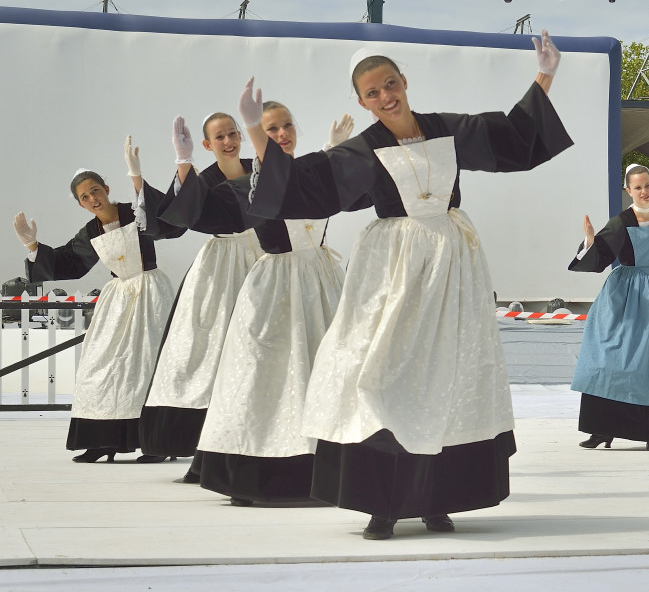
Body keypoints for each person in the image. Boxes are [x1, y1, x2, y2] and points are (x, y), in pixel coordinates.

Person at [242, 30, 573, 538]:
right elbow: (307, 186)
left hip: (451, 266)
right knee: (382, 370)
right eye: (372, 93)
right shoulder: (363, 150)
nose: (384, 97)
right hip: (393, 269)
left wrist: (545, 75)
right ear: (360, 101)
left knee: (446, 373)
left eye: (389, 84)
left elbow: (513, 136)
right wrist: (255, 132)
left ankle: (438, 497)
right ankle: (383, 502)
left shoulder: (447, 129)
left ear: (403, 81)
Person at [161, 104, 349, 506]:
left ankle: (328, 471)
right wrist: (184, 163)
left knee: (325, 374)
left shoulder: (313, 170)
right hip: (276, 288)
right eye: (270, 129)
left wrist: (336, 156)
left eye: (286, 126)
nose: (281, 134)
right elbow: (198, 214)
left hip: (323, 284)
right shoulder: (247, 186)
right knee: (266, 378)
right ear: (256, 135)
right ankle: (260, 472)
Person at [12, 144, 178, 462]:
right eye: (85, 197)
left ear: (106, 188)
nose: (92, 199)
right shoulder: (91, 231)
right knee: (100, 365)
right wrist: (33, 245)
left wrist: (139, 176)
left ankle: (158, 443)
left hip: (150, 294)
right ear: (81, 204)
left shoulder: (136, 212)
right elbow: (70, 262)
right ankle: (102, 440)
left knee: (146, 365)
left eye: (95, 190)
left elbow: (169, 225)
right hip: (118, 298)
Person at [139, 113, 263, 476]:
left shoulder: (259, 169)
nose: (228, 141)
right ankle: (202, 454)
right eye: (219, 137)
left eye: (232, 133)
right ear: (207, 144)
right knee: (209, 356)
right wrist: (183, 163)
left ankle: (253, 445)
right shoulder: (204, 180)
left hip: (263, 259)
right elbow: (173, 224)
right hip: (222, 268)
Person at [569, 165, 649, 451]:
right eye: (637, 187)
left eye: (647, 186)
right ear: (628, 191)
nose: (644, 192)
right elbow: (601, 257)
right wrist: (589, 241)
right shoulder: (621, 222)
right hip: (624, 295)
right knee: (609, 357)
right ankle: (601, 430)